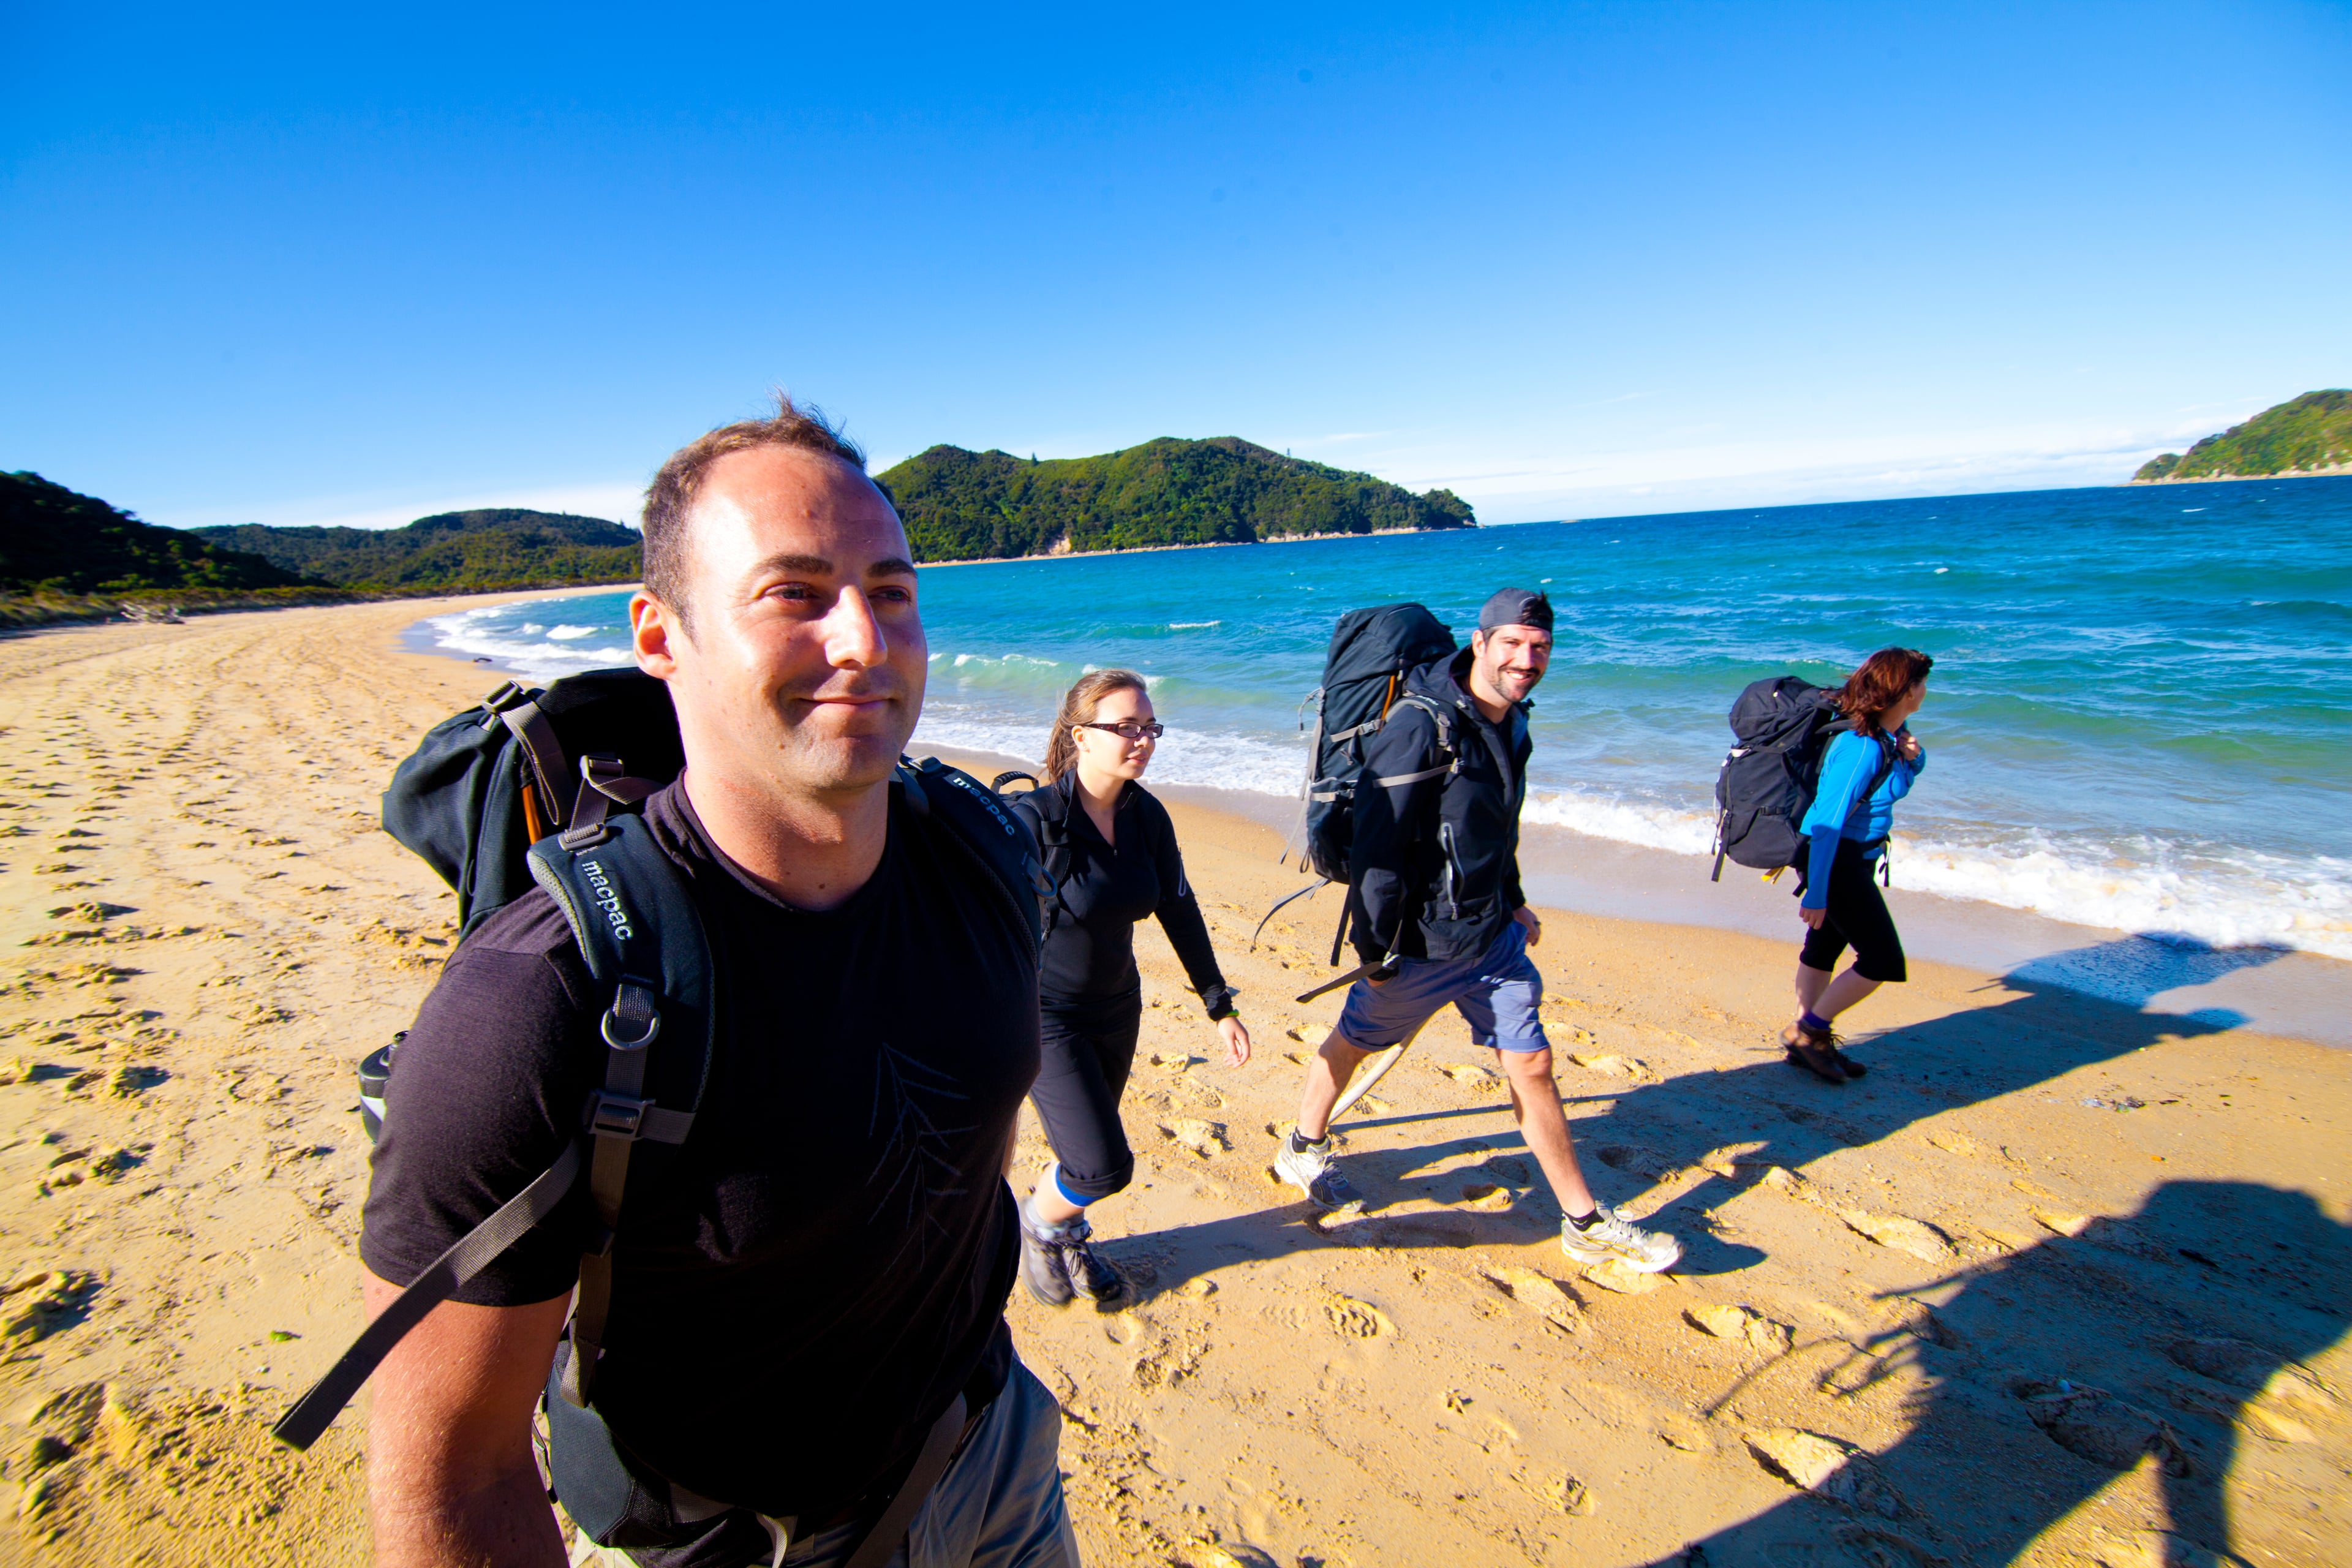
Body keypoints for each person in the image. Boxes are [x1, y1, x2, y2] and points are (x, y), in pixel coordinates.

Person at [358, 398, 1077, 1568]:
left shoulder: (983, 856)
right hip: (741, 1542)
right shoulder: (535, 1004)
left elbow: (958, 1156)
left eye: (892, 592)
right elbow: (458, 1471)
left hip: (991, 1457)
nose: (865, 640)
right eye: (794, 594)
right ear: (660, 635)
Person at [1273, 589, 1683, 1274]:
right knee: (1354, 1038)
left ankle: (1583, 1220)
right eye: (1514, 644)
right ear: (1481, 642)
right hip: (1421, 945)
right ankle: (1302, 1144)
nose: (1528, 659)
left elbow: (1496, 824)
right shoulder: (1419, 725)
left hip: (1491, 938)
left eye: (1541, 647)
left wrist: (1514, 898)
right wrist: (1377, 951)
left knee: (1534, 1064)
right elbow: (1379, 846)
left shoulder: (1513, 721)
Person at [1006, 671, 1251, 1306]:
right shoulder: (1034, 823)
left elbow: (1178, 906)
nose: (1143, 739)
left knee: (1082, 1149)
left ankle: (1067, 1235)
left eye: (1150, 727)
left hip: (1118, 1007)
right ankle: (1037, 1223)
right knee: (1101, 1165)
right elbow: (973, 923)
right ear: (1080, 736)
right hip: (1045, 1015)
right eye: (1126, 727)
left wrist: (1218, 1002)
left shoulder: (1147, 817)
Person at [1782, 646, 1932, 1083]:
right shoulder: (1861, 748)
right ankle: (1806, 1032)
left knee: (1825, 948)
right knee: (1883, 960)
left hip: (1854, 857)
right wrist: (1818, 891)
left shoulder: (1890, 738)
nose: (1926, 692)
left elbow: (1893, 787)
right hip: (1834, 857)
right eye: (1921, 683)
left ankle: (1810, 1042)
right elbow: (1828, 824)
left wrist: (1913, 757)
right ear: (1905, 690)